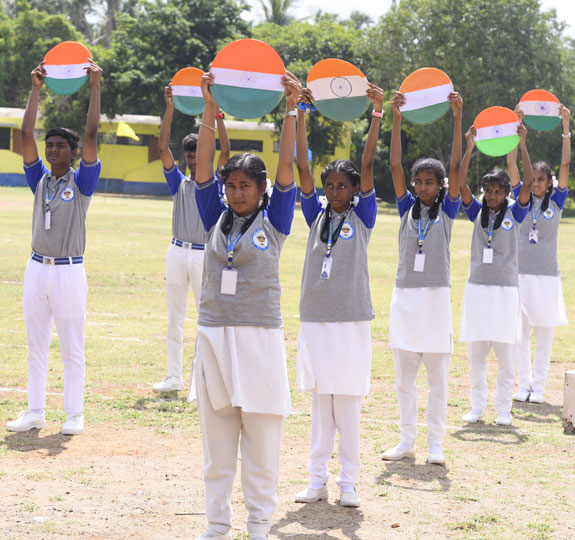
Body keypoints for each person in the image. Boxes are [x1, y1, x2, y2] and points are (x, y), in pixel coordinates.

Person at [190, 70, 302, 540]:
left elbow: (286, 165)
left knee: (261, 442)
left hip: (259, 340)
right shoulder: (213, 216)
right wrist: (208, 105)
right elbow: (201, 168)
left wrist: (291, 109)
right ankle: (217, 526)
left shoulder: (275, 221)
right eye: (231, 185)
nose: (237, 192)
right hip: (214, 336)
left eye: (245, 186)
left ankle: (259, 526)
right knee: (217, 446)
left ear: (261, 190)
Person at [293, 84, 383, 508]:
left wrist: (377, 114)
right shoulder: (316, 215)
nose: (334, 191)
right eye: (329, 185)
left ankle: (349, 482)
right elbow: (301, 166)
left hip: (350, 319)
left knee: (347, 405)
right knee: (320, 405)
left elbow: (367, 164)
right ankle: (317, 480)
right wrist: (299, 113)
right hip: (315, 317)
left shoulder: (363, 216)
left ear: (355, 190)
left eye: (342, 186)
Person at [5, 59, 102, 436]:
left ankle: (74, 413)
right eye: (51, 146)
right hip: (36, 268)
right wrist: (35, 90)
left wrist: (95, 87)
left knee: (71, 347)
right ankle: (35, 412)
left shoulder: (82, 183)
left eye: (62, 146)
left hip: (68, 270)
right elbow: (25, 132)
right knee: (36, 345)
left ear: (74, 153)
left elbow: (91, 132)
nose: (54, 150)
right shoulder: (40, 180)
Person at [381, 90, 463, 466]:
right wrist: (396, 117)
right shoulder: (405, 208)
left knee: (438, 380)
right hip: (406, 297)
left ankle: (436, 445)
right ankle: (406, 441)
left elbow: (457, 166)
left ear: (441, 185)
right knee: (404, 378)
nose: (423, 186)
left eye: (431, 181)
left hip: (435, 300)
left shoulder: (447, 210)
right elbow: (394, 164)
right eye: (420, 181)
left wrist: (458, 119)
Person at [153, 85, 229, 393]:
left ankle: (201, 380)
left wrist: (218, 116)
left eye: (197, 155)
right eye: (189, 156)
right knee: (175, 317)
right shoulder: (179, 183)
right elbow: (162, 148)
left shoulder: (215, 184)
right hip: (176, 251)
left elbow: (225, 152)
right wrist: (170, 109)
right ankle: (174, 377)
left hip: (203, 253)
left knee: (203, 317)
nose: (193, 161)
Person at [459, 123, 532, 426]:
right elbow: (459, 181)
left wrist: (522, 143)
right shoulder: (476, 211)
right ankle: (477, 407)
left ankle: (503, 409)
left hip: (505, 291)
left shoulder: (516, 212)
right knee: (477, 354)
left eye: (498, 191)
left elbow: (528, 184)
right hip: (477, 288)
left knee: (505, 354)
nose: (492, 195)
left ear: (505, 193)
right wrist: (469, 148)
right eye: (488, 190)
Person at [508, 105, 570, 404]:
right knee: (520, 335)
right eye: (532, 178)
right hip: (519, 275)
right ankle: (524, 385)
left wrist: (566, 126)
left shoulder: (556, 202)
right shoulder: (520, 199)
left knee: (544, 336)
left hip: (546, 277)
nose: (535, 183)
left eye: (541, 179)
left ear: (550, 183)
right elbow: (512, 163)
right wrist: (517, 130)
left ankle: (540, 388)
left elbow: (566, 162)